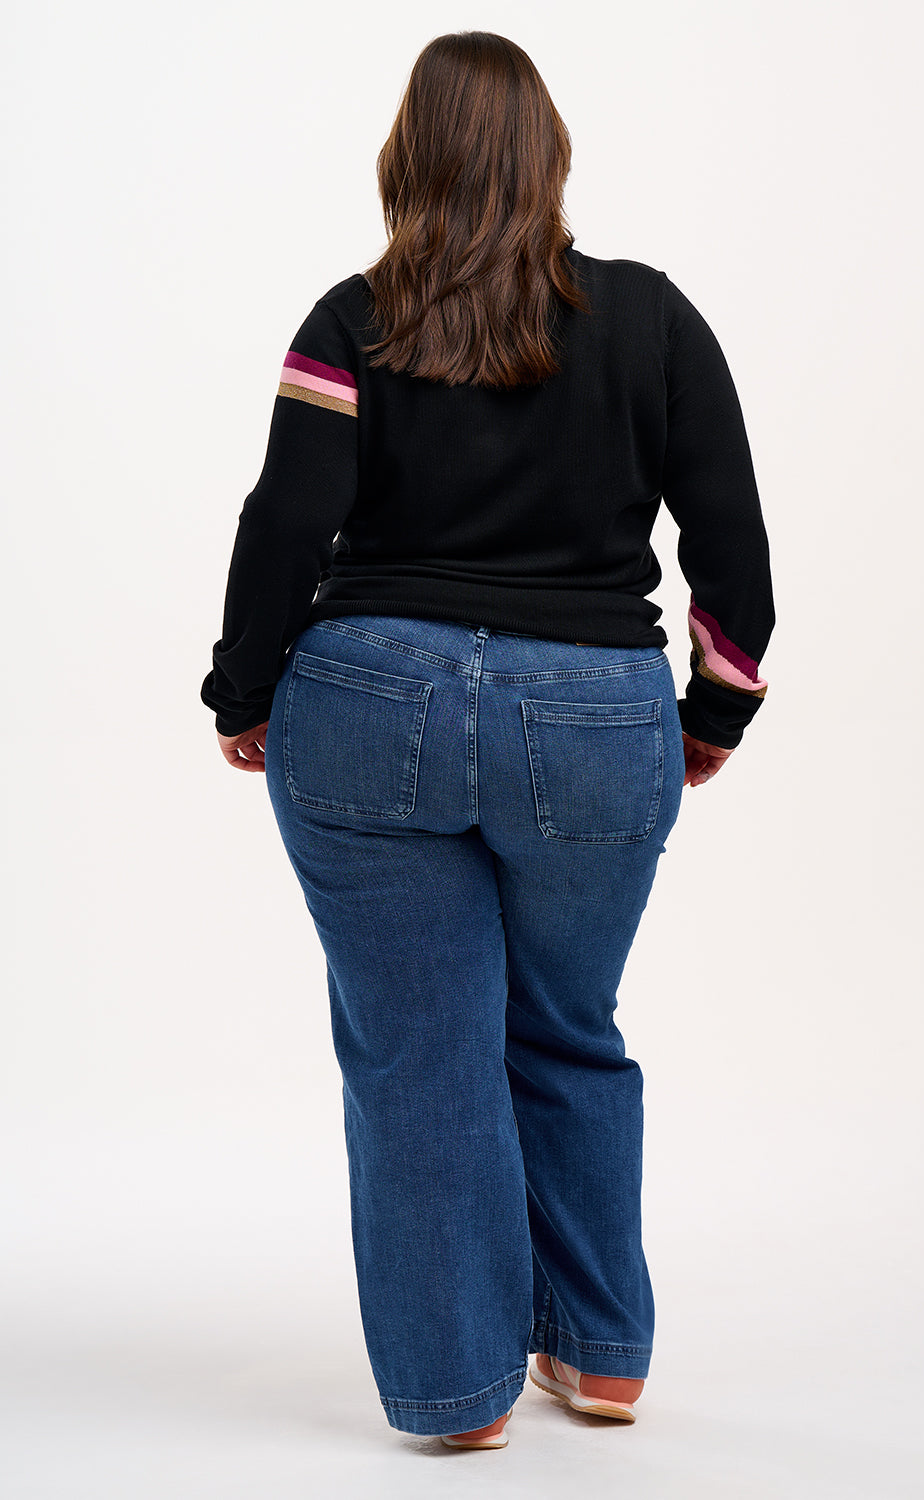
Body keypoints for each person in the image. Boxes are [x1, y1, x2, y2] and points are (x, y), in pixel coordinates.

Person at [200, 30, 775, 1451]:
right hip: (592, 720)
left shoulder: (352, 320)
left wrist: (243, 692)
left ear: (409, 159)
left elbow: (284, 521)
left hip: (366, 704)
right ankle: (599, 1358)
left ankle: (456, 1398)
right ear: (550, 156)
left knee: (421, 1049)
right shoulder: (652, 320)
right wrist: (712, 712)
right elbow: (737, 547)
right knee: (566, 1023)